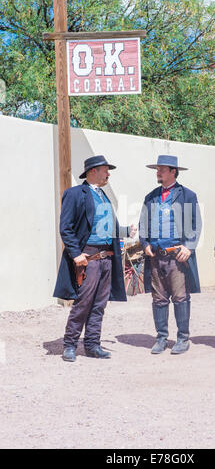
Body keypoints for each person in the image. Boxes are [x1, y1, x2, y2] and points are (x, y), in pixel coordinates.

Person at [53, 155, 135, 362]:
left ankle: (92, 345)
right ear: (92, 171)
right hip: (88, 257)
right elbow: (66, 228)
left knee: (99, 304)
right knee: (83, 302)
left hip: (107, 257)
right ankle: (70, 344)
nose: (108, 174)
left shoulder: (104, 196)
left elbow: (106, 226)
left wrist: (125, 230)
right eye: (105, 170)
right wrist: (76, 254)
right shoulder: (75, 194)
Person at [139, 155, 201, 355]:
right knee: (158, 298)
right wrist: (145, 243)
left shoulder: (187, 195)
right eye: (157, 169)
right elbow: (143, 224)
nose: (158, 173)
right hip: (156, 256)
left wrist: (189, 247)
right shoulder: (151, 197)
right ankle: (161, 338)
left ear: (173, 171)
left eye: (162, 169)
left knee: (180, 297)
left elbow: (196, 224)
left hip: (177, 256)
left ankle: (183, 338)